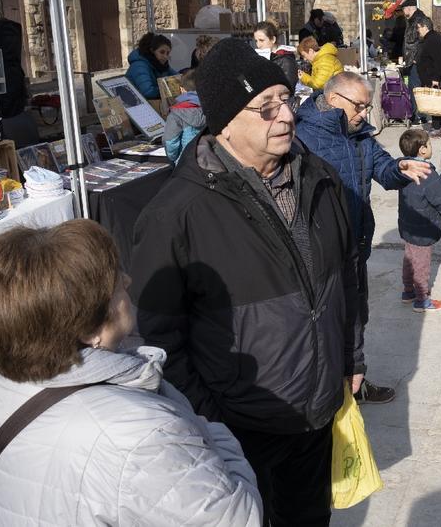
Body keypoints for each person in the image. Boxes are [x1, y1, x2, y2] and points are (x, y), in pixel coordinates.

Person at [130, 38, 358, 525]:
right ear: (226, 122)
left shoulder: (321, 178)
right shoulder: (175, 214)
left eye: (287, 100)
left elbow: (348, 277)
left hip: (316, 412)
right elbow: (157, 338)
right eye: (266, 106)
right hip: (238, 427)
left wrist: (351, 355)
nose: (286, 116)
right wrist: (210, 416)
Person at [0, 220, 261, 526]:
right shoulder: (143, 433)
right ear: (88, 329)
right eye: (113, 284)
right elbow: (239, 518)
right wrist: (211, 433)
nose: (127, 281)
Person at [295, 70, 432, 405]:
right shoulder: (300, 138)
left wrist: (400, 169)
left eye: (366, 107)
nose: (363, 114)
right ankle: (327, 393)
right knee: (325, 325)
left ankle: (354, 384)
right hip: (318, 253)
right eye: (358, 106)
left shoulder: (361, 136)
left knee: (356, 317)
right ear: (333, 100)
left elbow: (383, 169)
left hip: (355, 245)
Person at [398, 127, 441, 313]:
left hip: (408, 226)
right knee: (421, 265)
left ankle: (408, 291)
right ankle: (422, 300)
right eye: (430, 144)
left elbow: (435, 188)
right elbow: (440, 200)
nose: (432, 147)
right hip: (423, 229)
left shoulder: (404, 169)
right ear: (422, 150)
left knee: (409, 259)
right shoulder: (427, 173)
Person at [415, 14, 441, 134]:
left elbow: (439, 60)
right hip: (430, 76)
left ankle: (437, 127)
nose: (418, 30)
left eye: (418, 27)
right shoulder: (430, 38)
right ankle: (436, 126)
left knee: (436, 103)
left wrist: (435, 79)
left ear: (425, 27)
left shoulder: (433, 39)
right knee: (434, 102)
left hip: (434, 77)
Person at [164, 69, 206, 165]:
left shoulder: (176, 113)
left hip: (186, 164)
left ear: (182, 89)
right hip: (210, 158)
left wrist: (174, 158)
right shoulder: (212, 107)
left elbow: (170, 142)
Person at [126, 32, 177, 100]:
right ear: (152, 51)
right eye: (162, 52)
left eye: (167, 53)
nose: (165, 56)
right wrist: (171, 88)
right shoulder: (139, 65)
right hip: (134, 104)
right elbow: (148, 92)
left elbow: (179, 78)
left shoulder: (162, 65)